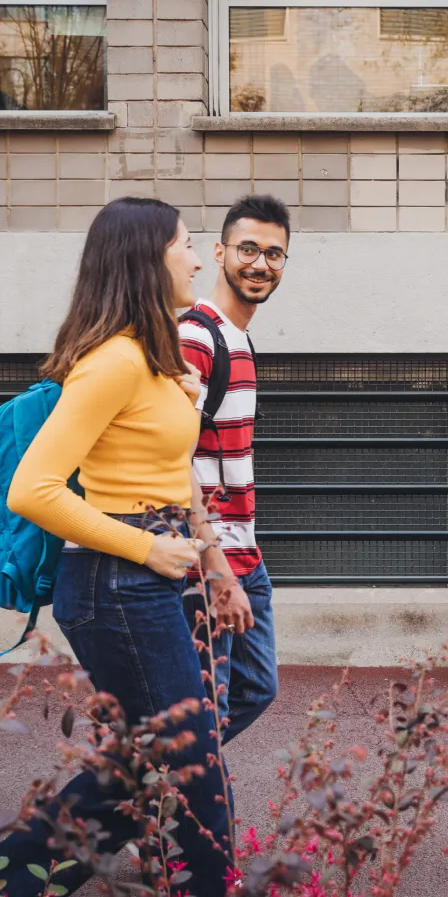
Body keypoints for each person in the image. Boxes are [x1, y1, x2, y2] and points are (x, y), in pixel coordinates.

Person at [0, 196, 241, 897]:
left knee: (148, 759)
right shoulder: (112, 359)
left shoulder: (152, 357)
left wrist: (203, 550)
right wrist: (150, 551)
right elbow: (34, 489)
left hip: (145, 574)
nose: (200, 258)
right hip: (117, 582)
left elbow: (164, 470)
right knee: (195, 766)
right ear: (148, 258)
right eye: (186, 246)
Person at [177, 194, 291, 743]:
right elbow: (171, 461)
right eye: (248, 248)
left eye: (274, 254)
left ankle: (163, 788)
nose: (260, 263)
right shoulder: (196, 337)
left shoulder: (238, 338)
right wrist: (215, 567)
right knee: (204, 709)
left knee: (254, 688)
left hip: (245, 553)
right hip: (206, 559)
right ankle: (163, 802)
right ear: (220, 251)